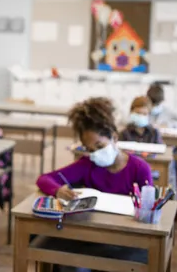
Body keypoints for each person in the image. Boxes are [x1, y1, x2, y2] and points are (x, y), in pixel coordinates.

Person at [36, 97, 153, 271]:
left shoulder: (139, 168)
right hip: (92, 236)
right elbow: (44, 179)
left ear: (114, 137)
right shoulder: (88, 164)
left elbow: (148, 212)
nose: (95, 153)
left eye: (99, 145)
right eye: (89, 149)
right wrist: (58, 190)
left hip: (125, 240)